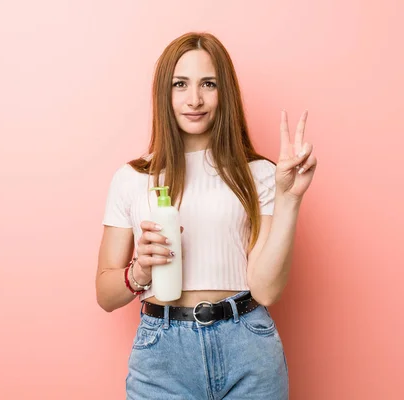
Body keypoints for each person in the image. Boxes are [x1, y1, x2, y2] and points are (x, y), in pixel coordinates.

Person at [96, 31, 317, 400]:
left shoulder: (261, 173)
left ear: (224, 92)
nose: (194, 99)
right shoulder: (132, 178)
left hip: (247, 347)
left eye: (208, 84)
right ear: (163, 94)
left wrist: (289, 199)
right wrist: (138, 272)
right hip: (161, 356)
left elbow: (266, 289)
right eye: (180, 84)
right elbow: (104, 294)